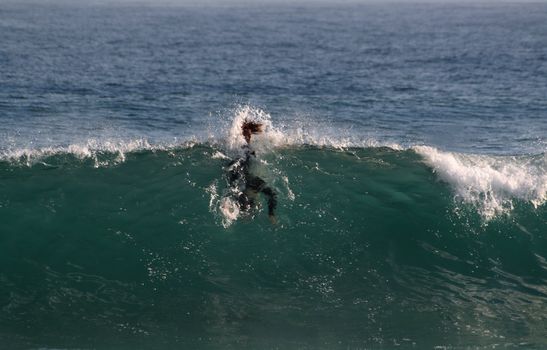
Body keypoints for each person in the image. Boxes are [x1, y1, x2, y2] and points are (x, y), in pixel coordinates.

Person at [227, 120, 277, 224]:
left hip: (244, 165)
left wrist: (271, 214)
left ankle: (246, 135)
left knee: (246, 151)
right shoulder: (253, 185)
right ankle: (245, 135)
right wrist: (271, 213)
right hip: (242, 163)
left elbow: (272, 194)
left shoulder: (251, 186)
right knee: (246, 152)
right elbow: (272, 194)